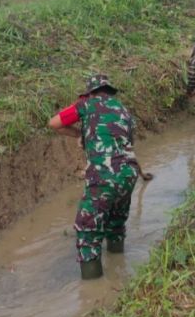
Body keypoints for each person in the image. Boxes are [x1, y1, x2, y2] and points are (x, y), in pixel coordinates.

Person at [47, 74, 145, 280]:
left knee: (87, 230)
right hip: (129, 173)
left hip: (103, 174)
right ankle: (119, 268)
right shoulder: (123, 110)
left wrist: (78, 134)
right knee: (116, 224)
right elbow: (128, 144)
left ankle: (93, 292)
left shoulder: (86, 104)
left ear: (90, 93)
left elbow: (54, 123)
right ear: (109, 91)